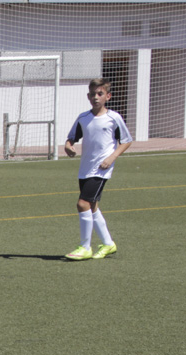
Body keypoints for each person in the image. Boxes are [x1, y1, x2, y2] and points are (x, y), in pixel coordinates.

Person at [63, 78, 133, 260]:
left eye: (100, 94)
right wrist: (68, 146)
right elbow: (71, 138)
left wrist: (111, 158)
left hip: (101, 168)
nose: (96, 97)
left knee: (82, 204)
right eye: (93, 94)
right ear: (88, 96)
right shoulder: (83, 118)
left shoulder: (114, 118)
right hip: (85, 168)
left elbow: (126, 141)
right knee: (92, 207)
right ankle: (108, 244)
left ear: (108, 96)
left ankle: (85, 247)